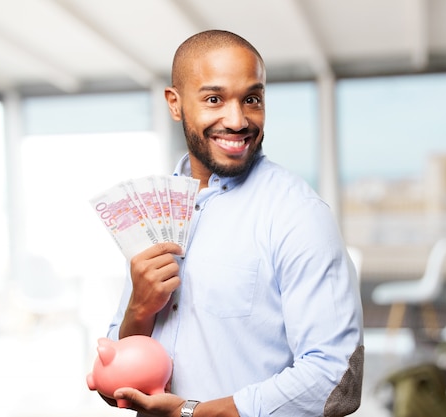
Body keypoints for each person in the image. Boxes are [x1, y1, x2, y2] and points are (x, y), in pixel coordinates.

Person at [105, 29, 364, 417]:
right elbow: (116, 389)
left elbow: (337, 379)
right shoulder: (155, 215)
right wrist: (138, 313)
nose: (238, 119)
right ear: (175, 105)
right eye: (214, 99)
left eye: (252, 99)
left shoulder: (298, 214)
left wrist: (193, 413)